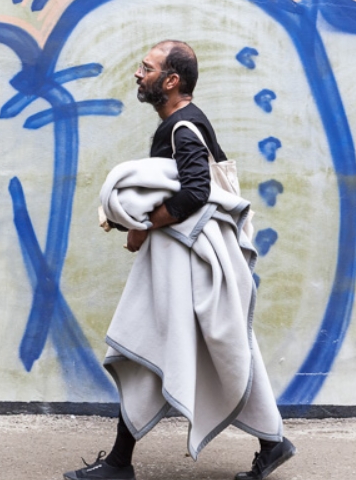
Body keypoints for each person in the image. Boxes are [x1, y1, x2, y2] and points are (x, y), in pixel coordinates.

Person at [64, 40, 295, 480]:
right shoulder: (181, 124)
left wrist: (144, 223)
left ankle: (119, 464)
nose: (137, 73)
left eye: (146, 68)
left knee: (177, 344)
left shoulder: (182, 128)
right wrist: (137, 223)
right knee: (207, 348)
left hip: (189, 265)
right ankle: (270, 442)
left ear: (171, 81)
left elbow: (195, 191)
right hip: (183, 262)